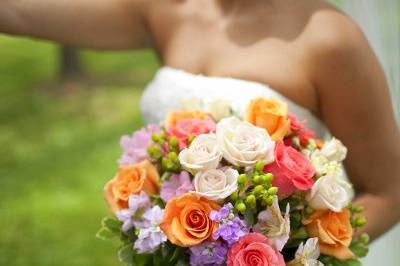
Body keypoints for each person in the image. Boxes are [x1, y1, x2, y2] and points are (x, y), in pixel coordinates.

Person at [1, 0, 399, 262]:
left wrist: (294, 251)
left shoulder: (330, 39)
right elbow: (16, 12)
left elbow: (390, 191)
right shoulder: (166, 7)